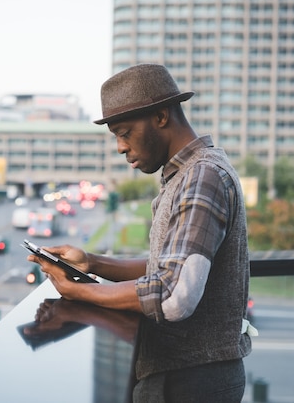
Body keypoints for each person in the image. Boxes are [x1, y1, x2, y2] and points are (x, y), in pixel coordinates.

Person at [27, 64, 255, 402]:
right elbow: (168, 269)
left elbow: (174, 296)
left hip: (192, 381)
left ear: (161, 116)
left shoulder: (202, 177)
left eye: (125, 132)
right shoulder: (188, 175)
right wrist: (91, 262)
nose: (120, 147)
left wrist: (81, 294)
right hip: (188, 375)